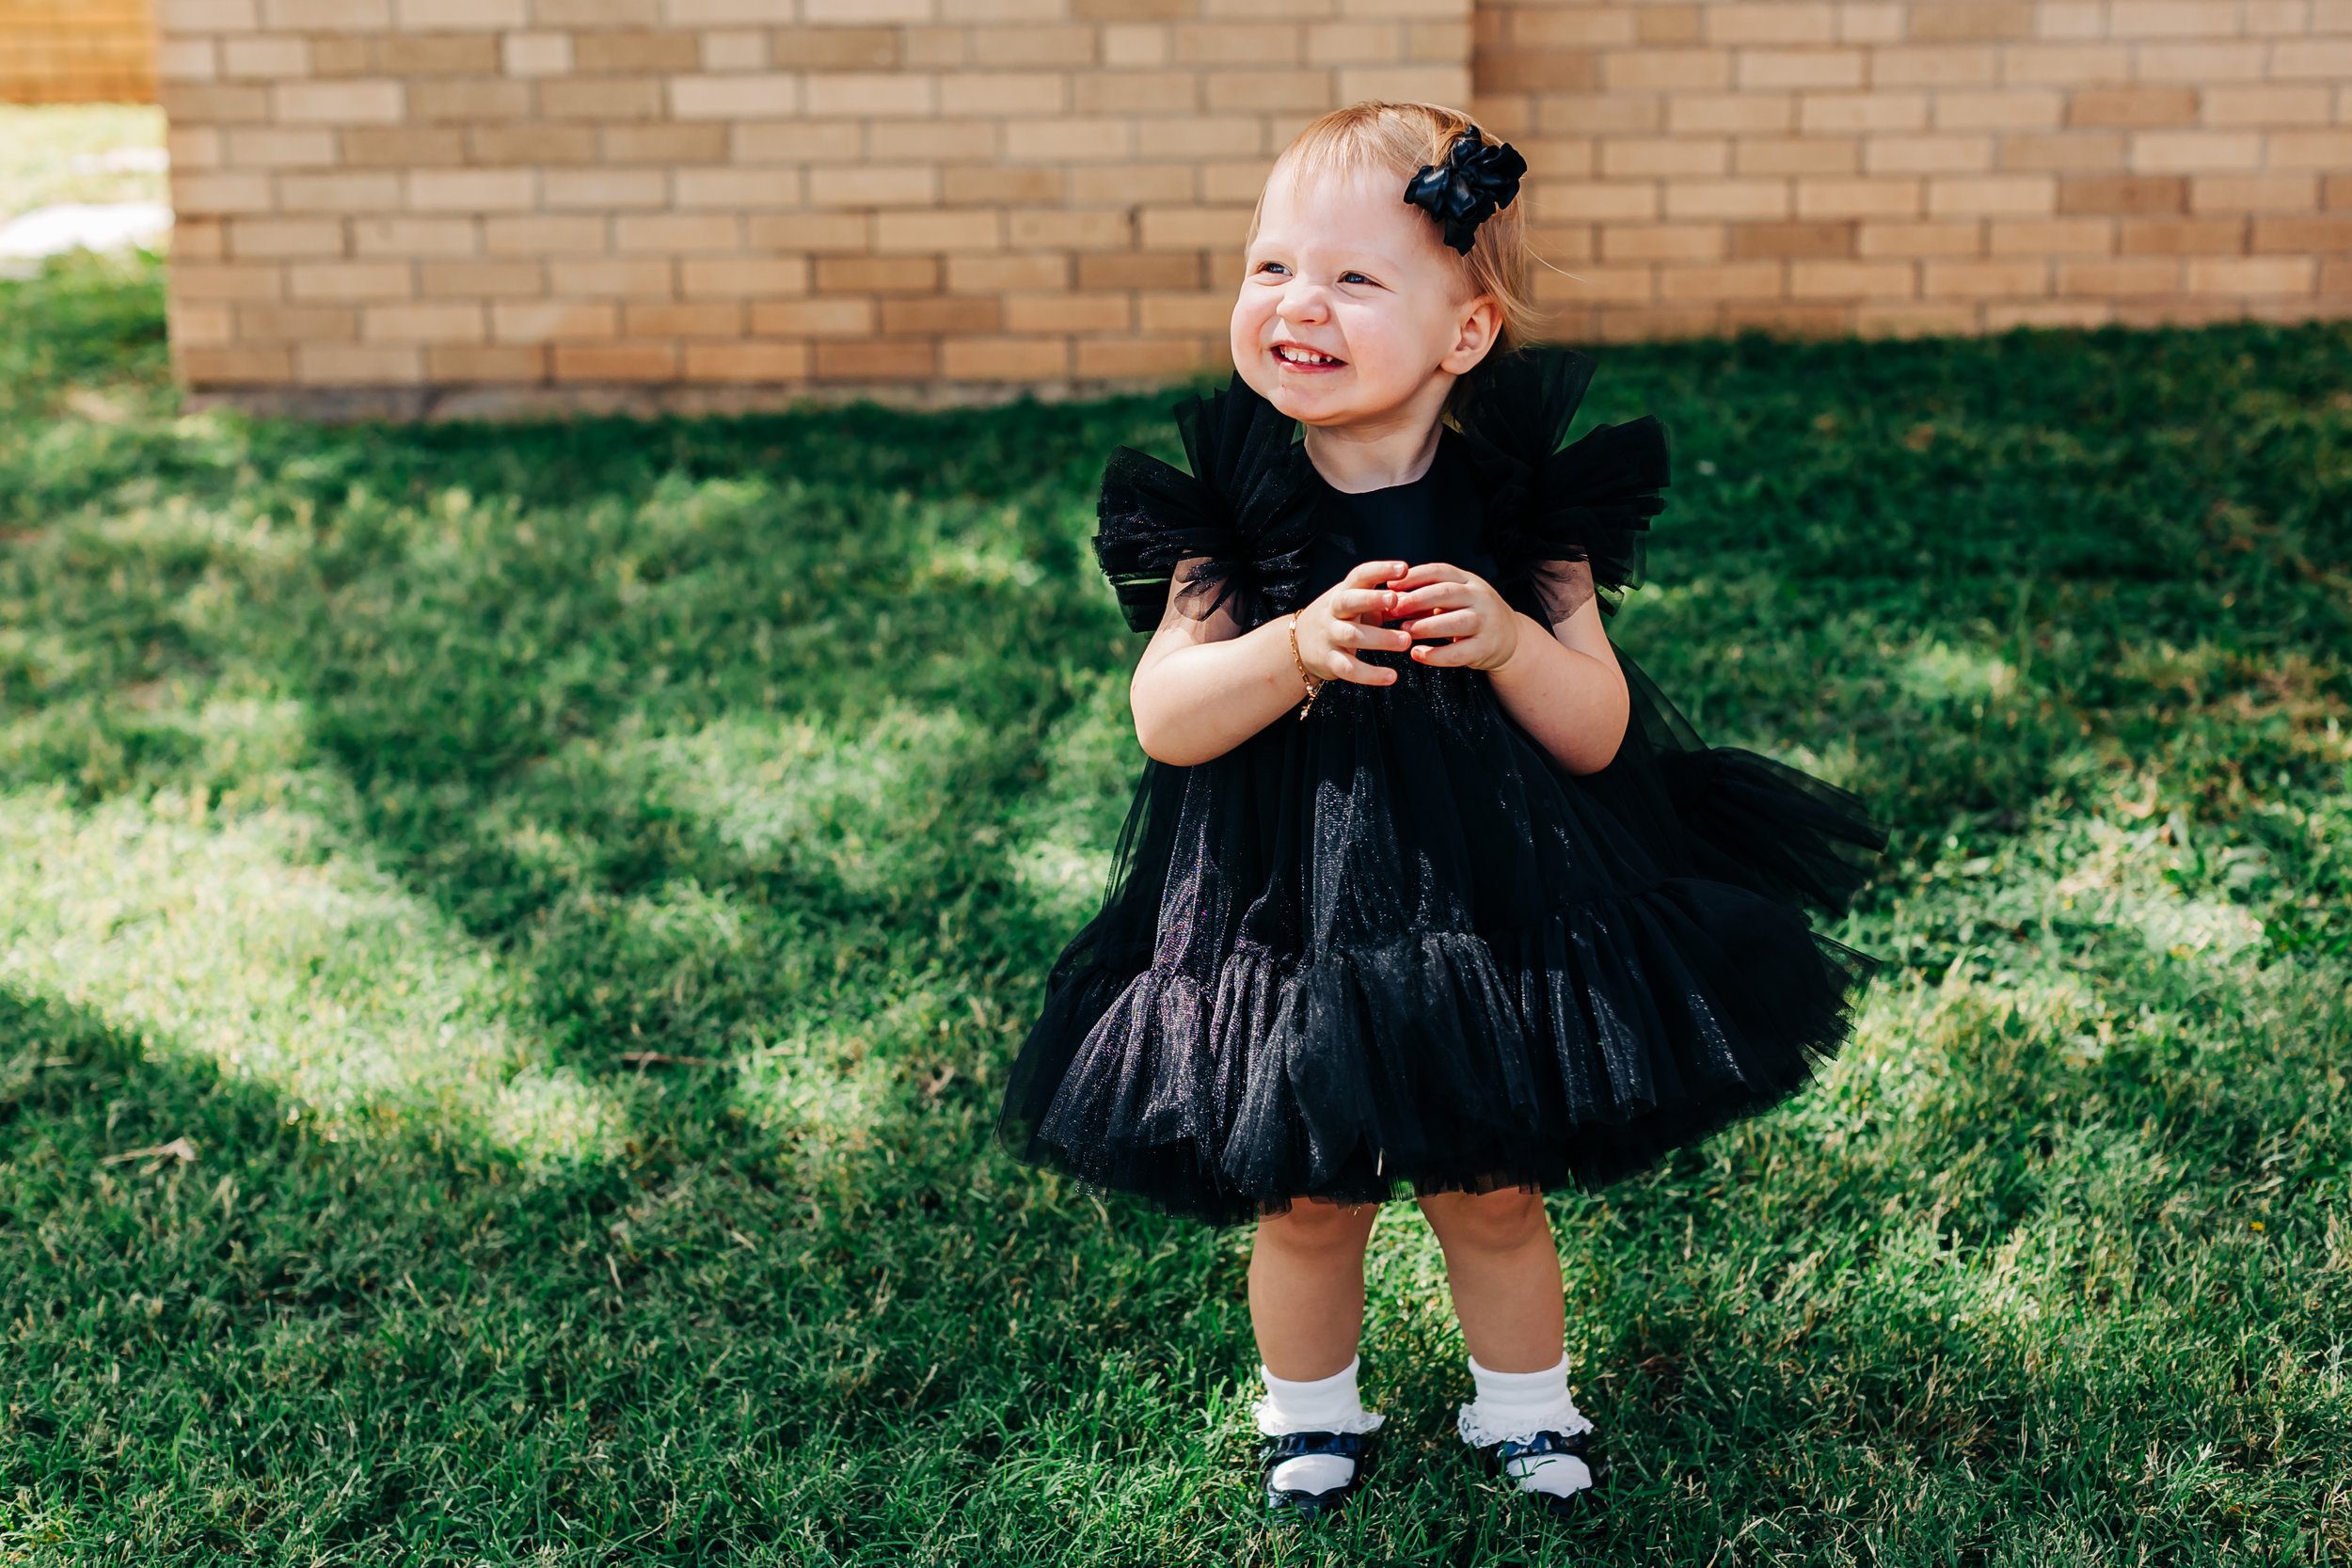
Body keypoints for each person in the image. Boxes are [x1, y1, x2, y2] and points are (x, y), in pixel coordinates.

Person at [994, 101, 1890, 1526]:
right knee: (1307, 1191)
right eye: (1269, 265)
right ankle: (1310, 1412)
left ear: (1464, 332)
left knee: (1488, 1182)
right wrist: (1288, 647)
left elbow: (1595, 732)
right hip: (1282, 906)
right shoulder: (1231, 512)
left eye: (1354, 278)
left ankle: (1527, 1410)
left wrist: (1507, 640)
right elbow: (1165, 717)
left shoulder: (1522, 509)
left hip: (1496, 904)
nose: (1298, 302)